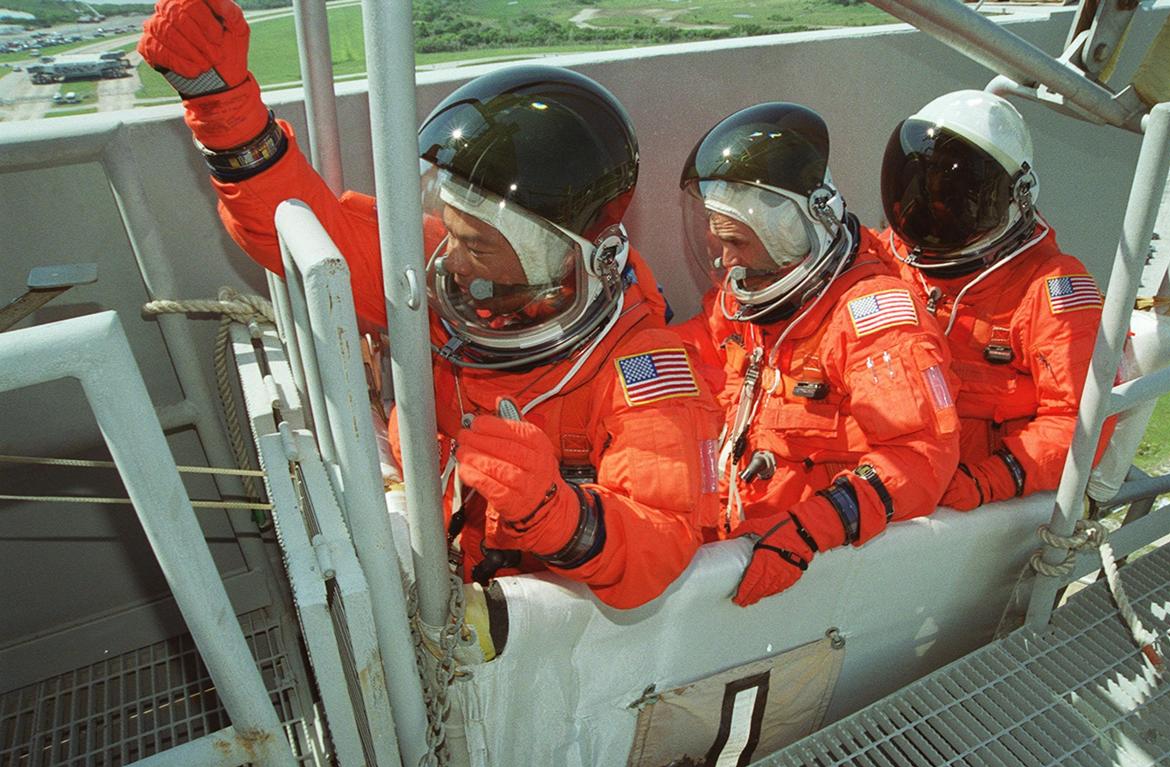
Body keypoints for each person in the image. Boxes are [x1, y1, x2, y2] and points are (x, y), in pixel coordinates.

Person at [138, 0, 722, 609]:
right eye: (451, 230)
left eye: (477, 245)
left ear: (560, 257)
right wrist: (223, 107)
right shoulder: (443, 270)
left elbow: (666, 538)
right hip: (439, 556)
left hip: (529, 610)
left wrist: (558, 514)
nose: (454, 261)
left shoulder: (642, 372)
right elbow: (297, 232)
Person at [675, 103, 960, 607]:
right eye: (716, 243)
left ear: (790, 234)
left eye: (737, 242)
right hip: (733, 521)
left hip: (813, 564)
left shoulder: (874, 318)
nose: (725, 261)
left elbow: (920, 456)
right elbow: (698, 355)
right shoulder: (748, 294)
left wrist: (813, 527)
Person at [878, 90, 1107, 512]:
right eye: (924, 189)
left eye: (955, 195)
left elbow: (1079, 421)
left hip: (973, 506)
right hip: (886, 470)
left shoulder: (1050, 289)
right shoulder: (887, 258)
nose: (934, 207)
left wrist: (985, 481)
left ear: (1016, 196)